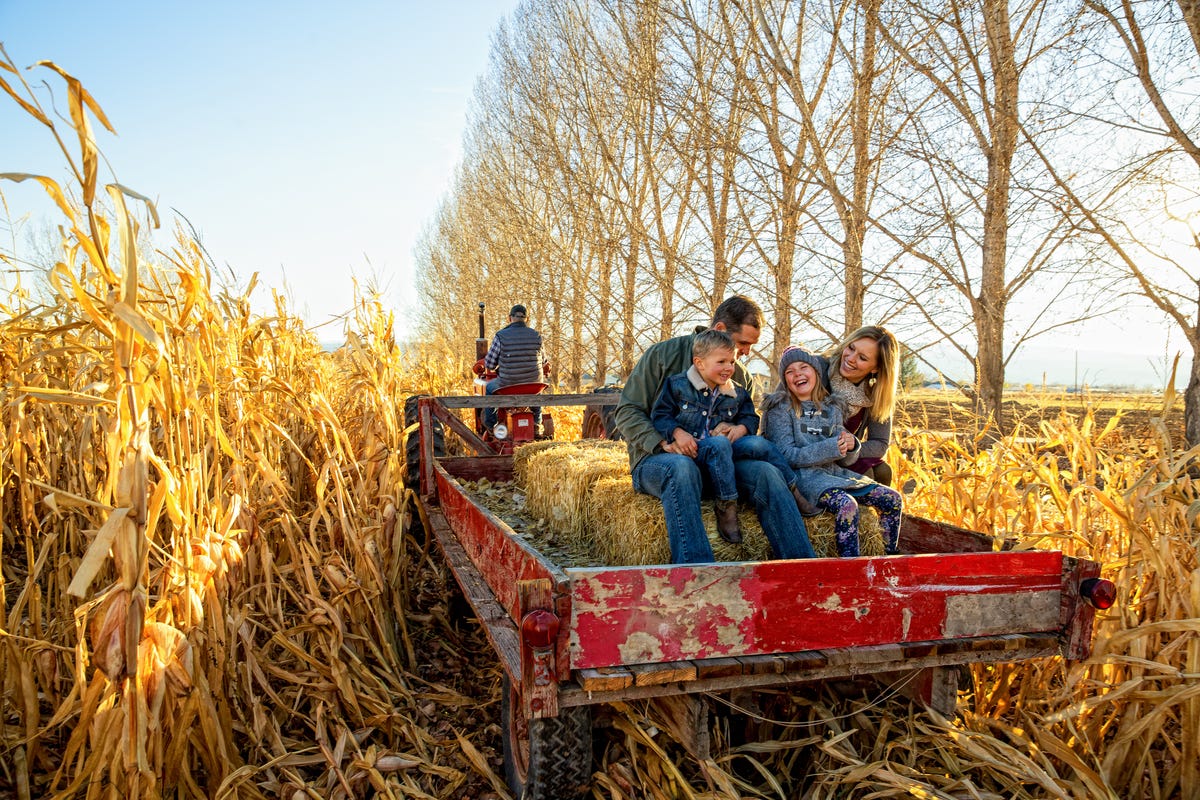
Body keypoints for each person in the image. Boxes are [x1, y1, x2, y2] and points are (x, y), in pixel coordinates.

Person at [613, 295, 816, 564]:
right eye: (743, 343)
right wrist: (664, 442)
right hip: (658, 462)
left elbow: (748, 419)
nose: (746, 353)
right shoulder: (662, 356)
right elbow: (627, 412)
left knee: (766, 472)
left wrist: (739, 429)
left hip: (719, 466)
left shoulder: (739, 375)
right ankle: (698, 574)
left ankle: (803, 569)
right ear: (720, 330)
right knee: (681, 468)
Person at [650, 329, 806, 544]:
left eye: (732, 362)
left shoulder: (737, 392)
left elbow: (751, 418)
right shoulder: (677, 386)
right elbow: (660, 415)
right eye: (721, 361)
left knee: (760, 443)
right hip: (696, 450)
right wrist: (678, 433)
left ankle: (794, 489)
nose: (729, 368)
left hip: (727, 452)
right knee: (719, 443)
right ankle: (726, 506)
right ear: (700, 362)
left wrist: (740, 429)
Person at [761, 346, 903, 557]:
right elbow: (786, 455)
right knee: (847, 506)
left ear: (817, 373)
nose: (797, 373)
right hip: (804, 479)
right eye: (789, 371)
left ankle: (887, 560)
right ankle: (850, 567)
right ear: (785, 380)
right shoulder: (781, 409)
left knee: (893, 499)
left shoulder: (832, 408)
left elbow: (844, 459)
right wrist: (829, 448)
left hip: (835, 474)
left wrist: (851, 445)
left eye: (804, 367)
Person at [818, 326, 900, 486]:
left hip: (844, 454)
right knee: (864, 475)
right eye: (851, 348)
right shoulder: (815, 368)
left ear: (876, 368)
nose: (850, 358)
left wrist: (852, 446)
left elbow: (880, 444)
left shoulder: (875, 394)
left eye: (862, 358)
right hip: (808, 450)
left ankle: (877, 510)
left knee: (883, 471)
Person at [483, 304, 547, 431]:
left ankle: (491, 426)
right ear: (526, 319)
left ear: (509, 318)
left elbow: (489, 364)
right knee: (536, 390)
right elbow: (544, 361)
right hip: (533, 384)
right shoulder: (537, 335)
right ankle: (537, 423)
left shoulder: (501, 336)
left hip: (509, 384)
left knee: (489, 388)